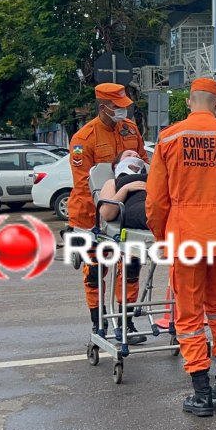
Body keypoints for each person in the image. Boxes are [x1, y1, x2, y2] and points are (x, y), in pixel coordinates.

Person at [146, 77, 216, 417]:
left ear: (189, 103)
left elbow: (155, 202)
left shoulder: (169, 138)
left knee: (190, 315)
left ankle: (201, 392)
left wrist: (163, 237)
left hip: (187, 237)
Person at [69, 84, 148, 345]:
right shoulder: (84, 139)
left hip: (126, 211)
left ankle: (126, 323)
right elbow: (85, 185)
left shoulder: (130, 130)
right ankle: (98, 319)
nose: (123, 110)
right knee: (95, 270)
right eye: (117, 106)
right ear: (103, 106)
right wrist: (109, 211)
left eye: (124, 105)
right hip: (90, 215)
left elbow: (143, 167)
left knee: (131, 267)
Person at [98, 152, 149, 230]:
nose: (135, 156)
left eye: (137, 156)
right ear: (116, 165)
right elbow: (106, 214)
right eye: (128, 155)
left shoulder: (151, 177)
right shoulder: (112, 182)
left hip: (155, 202)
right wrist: (125, 189)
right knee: (153, 211)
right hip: (135, 209)